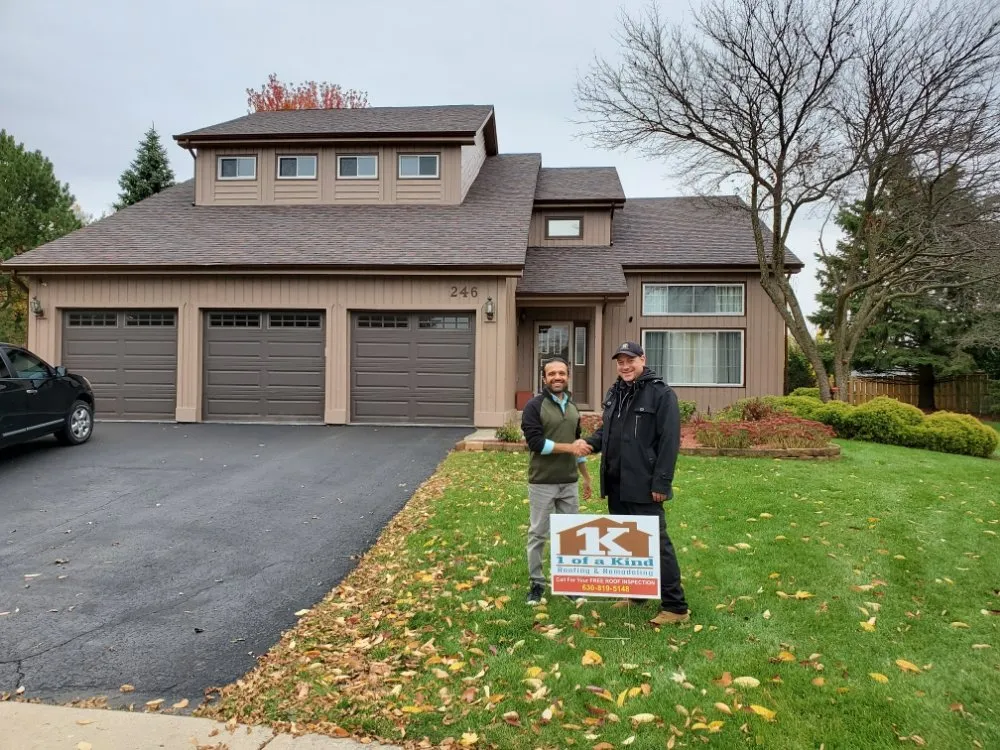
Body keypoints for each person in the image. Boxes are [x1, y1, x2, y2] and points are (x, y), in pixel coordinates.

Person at [576, 341, 689, 625]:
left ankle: (676, 607)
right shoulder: (616, 392)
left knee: (656, 545)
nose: (625, 366)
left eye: (630, 361)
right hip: (616, 482)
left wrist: (661, 483)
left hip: (643, 483)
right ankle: (637, 594)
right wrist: (589, 443)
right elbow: (608, 431)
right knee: (627, 542)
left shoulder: (661, 394)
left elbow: (669, 442)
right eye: (620, 362)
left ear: (643, 360)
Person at [520, 357, 592, 606]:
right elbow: (536, 443)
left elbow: (577, 444)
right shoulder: (534, 406)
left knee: (571, 535)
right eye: (552, 374)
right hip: (542, 482)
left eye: (561, 373)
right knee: (538, 534)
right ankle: (537, 584)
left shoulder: (573, 407)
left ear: (568, 376)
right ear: (544, 378)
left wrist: (586, 477)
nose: (557, 377)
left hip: (569, 482)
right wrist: (570, 448)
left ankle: (570, 584)